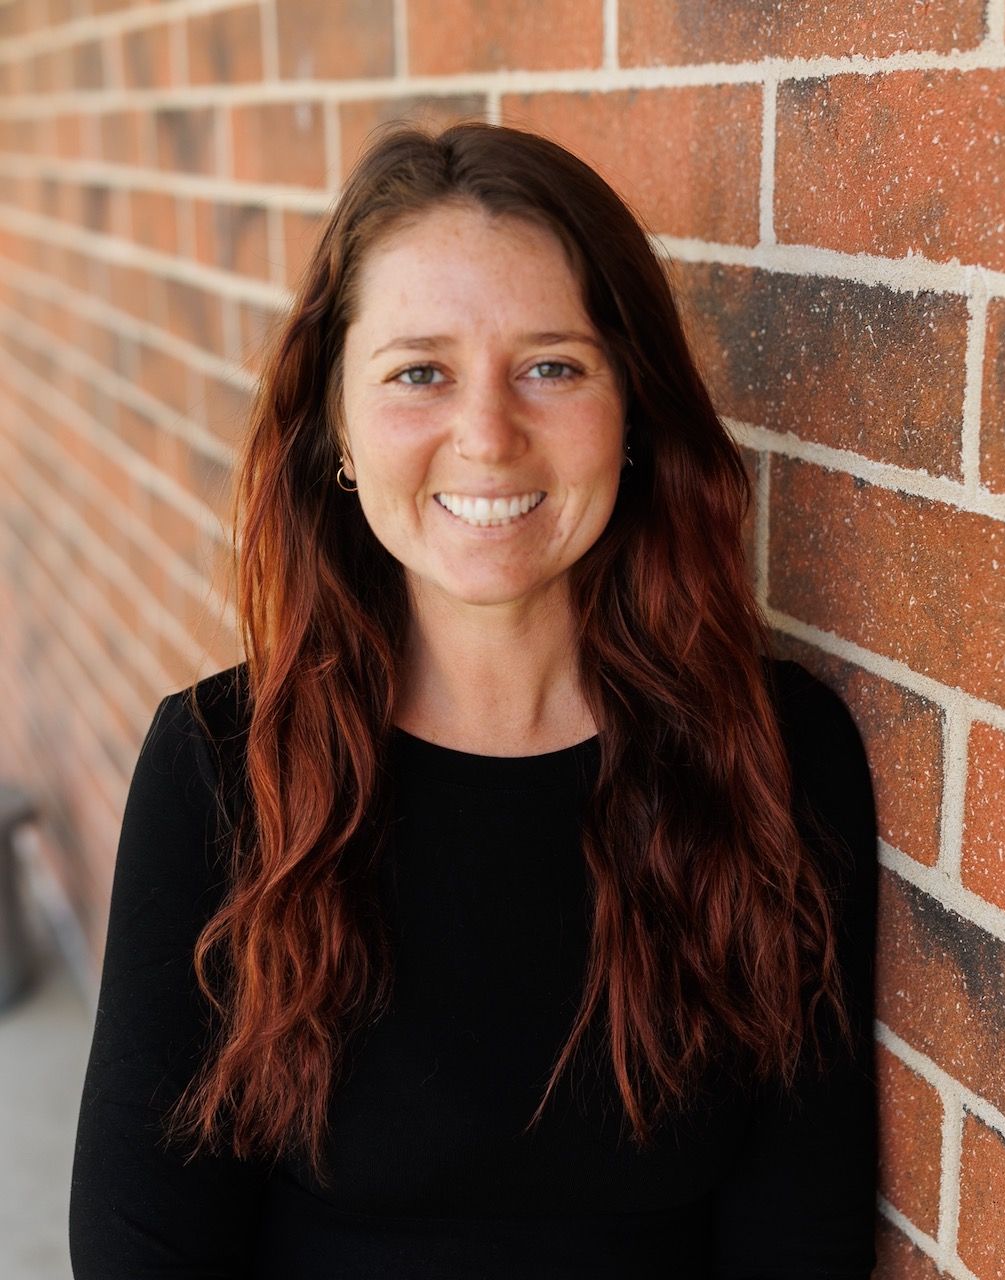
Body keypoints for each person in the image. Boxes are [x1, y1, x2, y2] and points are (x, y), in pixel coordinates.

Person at [69, 121, 879, 1278]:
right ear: (337, 431)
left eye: (552, 364)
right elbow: (144, 1250)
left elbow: (800, 1238)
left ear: (633, 409)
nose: (488, 436)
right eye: (419, 372)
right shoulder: (226, 767)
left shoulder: (777, 755)